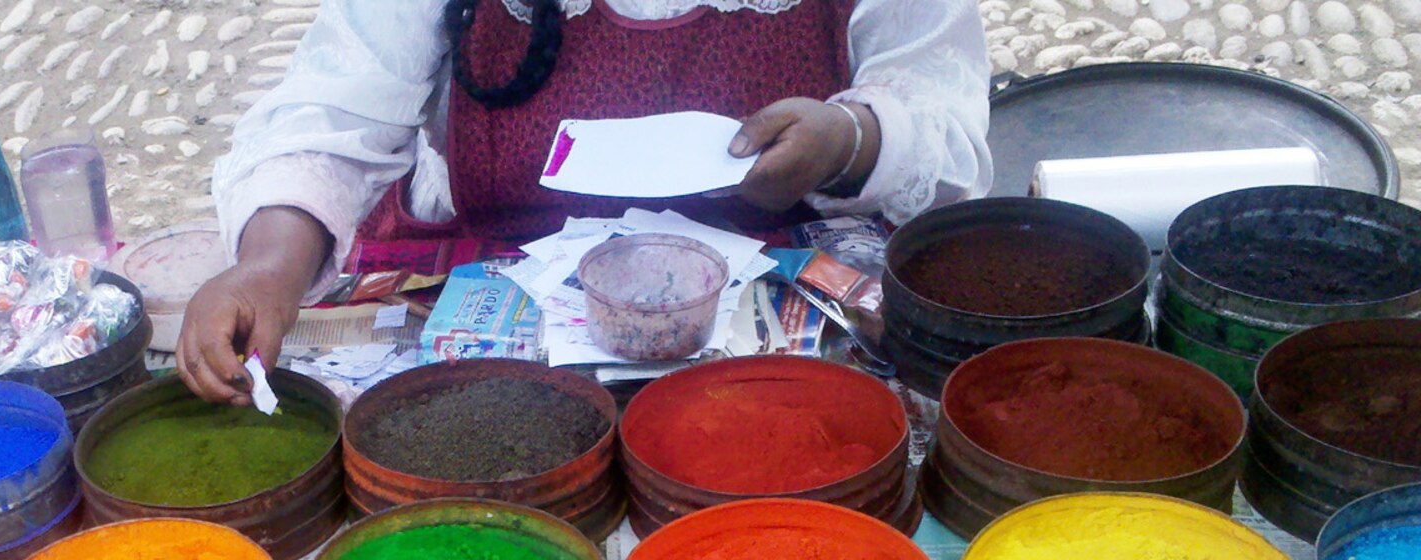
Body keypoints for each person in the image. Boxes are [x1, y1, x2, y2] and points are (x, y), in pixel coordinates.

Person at [177, 0, 992, 404]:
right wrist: (267, 270)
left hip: (778, 338)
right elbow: (335, 113)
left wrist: (850, 141)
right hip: (502, 330)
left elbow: (945, 124)